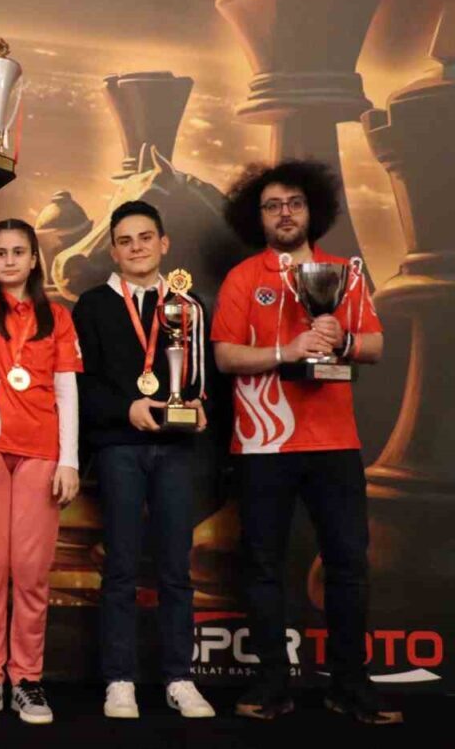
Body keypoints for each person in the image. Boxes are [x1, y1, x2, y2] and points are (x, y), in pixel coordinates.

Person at [213, 161, 399, 725]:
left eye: (294, 202)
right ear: (258, 217)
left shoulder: (343, 273)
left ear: (312, 209)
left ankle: (350, 686)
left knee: (348, 564)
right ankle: (272, 684)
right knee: (263, 567)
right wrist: (286, 353)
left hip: (334, 442)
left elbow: (375, 346)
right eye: (272, 205)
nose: (285, 213)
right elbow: (225, 356)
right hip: (263, 446)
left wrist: (342, 338)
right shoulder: (243, 277)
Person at [71, 200, 215, 719]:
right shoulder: (92, 306)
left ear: (164, 243)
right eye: (125, 240)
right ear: (113, 250)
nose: (136, 248)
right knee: (121, 567)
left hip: (175, 449)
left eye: (146, 237)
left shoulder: (187, 304)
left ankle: (180, 678)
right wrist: (125, 408)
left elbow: (201, 373)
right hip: (119, 449)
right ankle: (119, 680)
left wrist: (199, 404)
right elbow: (79, 384)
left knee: (176, 567)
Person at [0, 174, 81, 726]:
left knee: (30, 572)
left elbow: (66, 391)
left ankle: (27, 680)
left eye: (18, 252)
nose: (8, 260)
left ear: (34, 260)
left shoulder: (59, 317)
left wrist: (69, 459)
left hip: (40, 453)